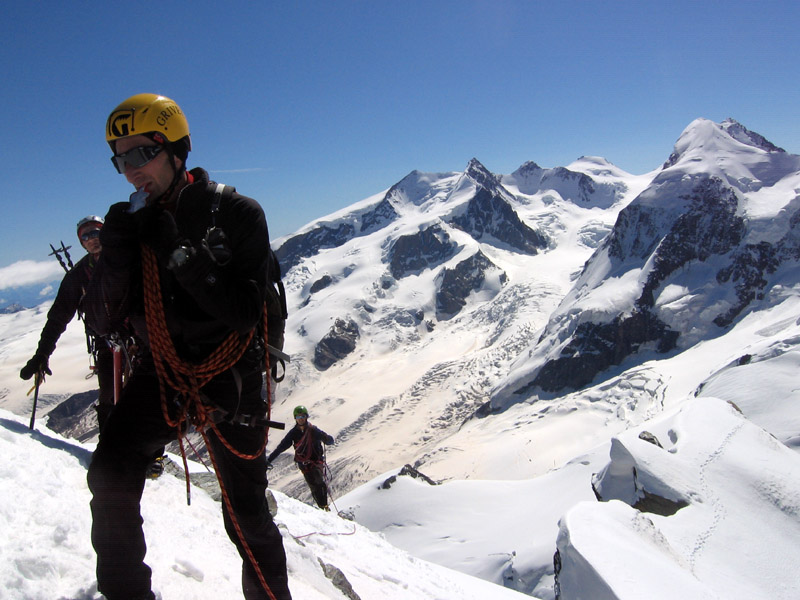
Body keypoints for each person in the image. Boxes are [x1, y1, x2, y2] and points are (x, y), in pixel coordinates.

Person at [82, 93, 291, 600]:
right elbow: (111, 318)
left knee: (244, 511)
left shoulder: (238, 213)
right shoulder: (133, 225)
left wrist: (177, 251)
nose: (130, 171)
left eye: (139, 155)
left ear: (176, 151)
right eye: (119, 159)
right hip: (164, 369)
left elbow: (244, 311)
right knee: (110, 470)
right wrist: (117, 256)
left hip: (232, 373)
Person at [19, 216, 116, 431]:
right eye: (86, 236)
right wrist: (42, 354)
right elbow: (58, 317)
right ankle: (108, 447)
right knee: (108, 393)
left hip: (137, 335)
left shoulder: (124, 260)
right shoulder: (78, 276)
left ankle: (153, 457)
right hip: (106, 340)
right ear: (81, 242)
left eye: (96, 232)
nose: (92, 239)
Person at [267, 405, 335, 510]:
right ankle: (322, 507)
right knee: (313, 485)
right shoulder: (293, 433)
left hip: (315, 462)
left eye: (302, 416)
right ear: (295, 419)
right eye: (298, 417)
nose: (301, 419)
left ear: (306, 417)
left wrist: (327, 439)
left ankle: (324, 505)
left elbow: (327, 439)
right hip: (304, 464)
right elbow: (281, 447)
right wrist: (269, 459)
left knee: (319, 483)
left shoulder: (313, 430)